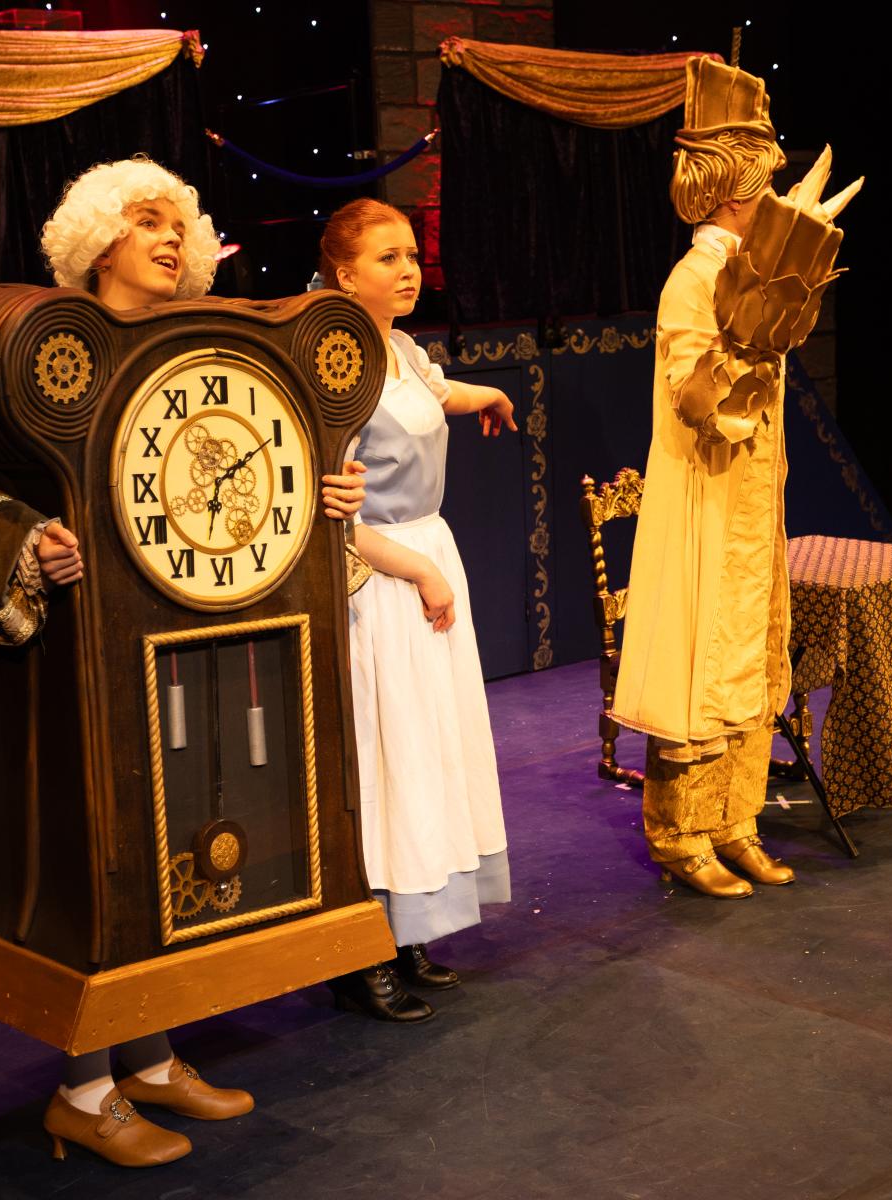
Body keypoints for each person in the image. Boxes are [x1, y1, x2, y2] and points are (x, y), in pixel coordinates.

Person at [0, 158, 369, 1168]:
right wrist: (32, 540)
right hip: (84, 658)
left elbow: (266, 460)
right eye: (147, 221)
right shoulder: (46, 352)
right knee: (104, 859)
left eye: (180, 224)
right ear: (98, 241)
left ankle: (148, 1055)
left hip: (186, 643)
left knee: (165, 850)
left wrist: (326, 497)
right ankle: (82, 1092)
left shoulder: (207, 343)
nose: (171, 239)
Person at [609, 59, 859, 899]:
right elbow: (695, 399)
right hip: (705, 494)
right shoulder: (695, 278)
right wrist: (745, 351)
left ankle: (736, 819)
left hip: (750, 501)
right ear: (730, 194)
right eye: (765, 187)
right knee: (703, 653)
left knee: (748, 649)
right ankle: (681, 831)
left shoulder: (750, 270)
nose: (776, 201)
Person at [316, 198, 516, 1023]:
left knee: (428, 751)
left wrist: (487, 393)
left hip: (428, 560)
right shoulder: (330, 367)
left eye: (411, 255)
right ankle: (362, 949)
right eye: (388, 258)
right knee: (384, 757)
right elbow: (330, 517)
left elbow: (433, 393)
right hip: (377, 582)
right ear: (343, 275)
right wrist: (417, 571)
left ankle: (411, 929)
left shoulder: (397, 346)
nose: (408, 271)